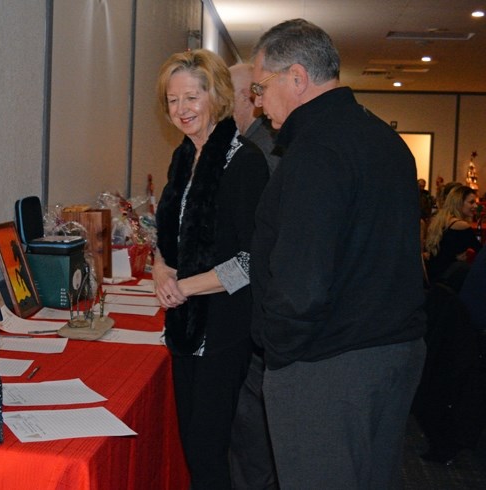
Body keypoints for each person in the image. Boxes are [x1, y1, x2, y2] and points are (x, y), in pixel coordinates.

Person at [249, 19, 426, 489]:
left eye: (261, 87)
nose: (258, 102)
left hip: (328, 366)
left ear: (298, 78)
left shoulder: (316, 151)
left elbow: (300, 279)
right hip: (393, 351)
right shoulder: (385, 140)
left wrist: (278, 351)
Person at [153, 49, 269, 490]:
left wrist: (183, 286)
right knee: (193, 447)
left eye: (190, 97)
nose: (181, 109)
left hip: (224, 330)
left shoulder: (245, 163)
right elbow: (167, 238)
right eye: (172, 100)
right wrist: (161, 271)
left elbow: (251, 262)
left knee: (207, 451)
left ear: (216, 96)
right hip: (184, 324)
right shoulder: (184, 159)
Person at [227, 62, 279, 490]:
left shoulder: (259, 155)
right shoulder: (251, 147)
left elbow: (250, 253)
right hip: (249, 303)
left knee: (249, 432)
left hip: (253, 309)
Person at [229, 63, 281, 175]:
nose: (220, 104)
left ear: (245, 97)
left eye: (225, 96)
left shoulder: (259, 147)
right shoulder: (266, 137)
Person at [426, 185, 481, 284]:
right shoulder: (461, 225)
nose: (475, 206)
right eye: (471, 202)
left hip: (434, 277)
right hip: (448, 280)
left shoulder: (441, 221)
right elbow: (480, 252)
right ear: (459, 203)